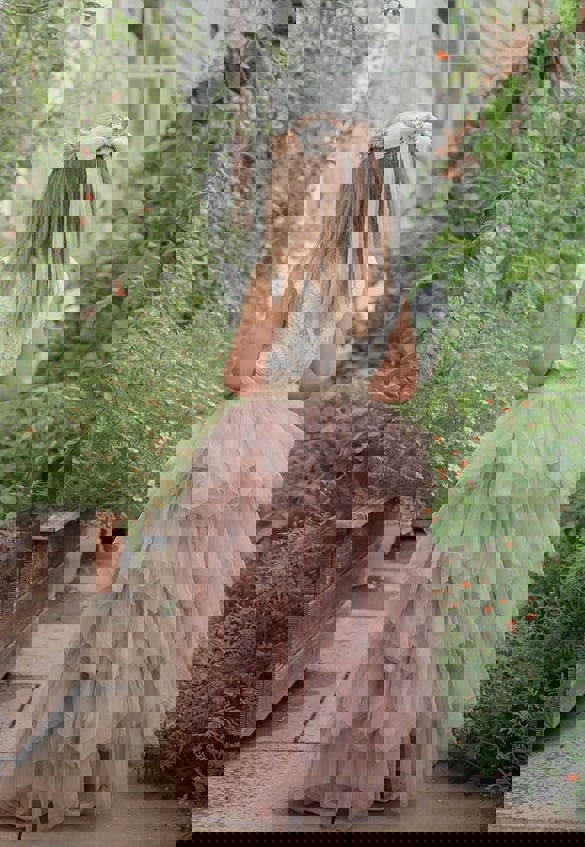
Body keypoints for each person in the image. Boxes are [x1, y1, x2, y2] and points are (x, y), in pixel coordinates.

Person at [0, 110, 436, 830]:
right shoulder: (373, 283)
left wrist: (299, 395)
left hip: (287, 447)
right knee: (295, 602)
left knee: (228, 592)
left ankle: (185, 740)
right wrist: (339, 396)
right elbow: (398, 385)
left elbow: (242, 374)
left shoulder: (303, 273)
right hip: (334, 452)